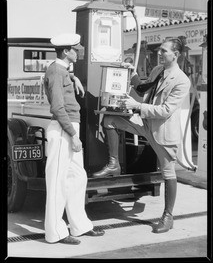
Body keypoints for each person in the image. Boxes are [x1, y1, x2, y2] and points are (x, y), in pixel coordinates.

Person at [93, 37, 191, 234]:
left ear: (176, 55)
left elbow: (164, 110)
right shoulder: (157, 71)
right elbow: (142, 89)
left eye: (164, 51)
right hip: (144, 123)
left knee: (168, 173)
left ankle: (168, 216)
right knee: (109, 119)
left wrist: (136, 106)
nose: (159, 54)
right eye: (160, 50)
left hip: (162, 132)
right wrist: (132, 72)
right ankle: (114, 163)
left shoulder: (181, 80)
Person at [44, 33, 105, 244]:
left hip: (68, 128)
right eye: (75, 48)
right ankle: (55, 233)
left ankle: (79, 225)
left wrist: (74, 77)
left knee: (77, 177)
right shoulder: (55, 71)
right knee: (57, 182)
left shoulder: (62, 71)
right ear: (66, 51)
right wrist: (72, 135)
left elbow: (61, 76)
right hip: (63, 129)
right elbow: (57, 107)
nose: (79, 51)